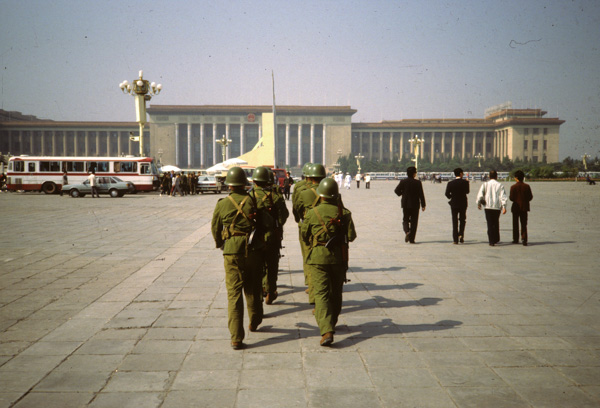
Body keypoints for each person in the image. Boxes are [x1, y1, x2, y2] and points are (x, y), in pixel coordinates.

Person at [211, 167, 264, 350]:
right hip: (252, 249)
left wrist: (221, 243)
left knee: (234, 294)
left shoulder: (222, 204)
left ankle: (236, 338)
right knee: (253, 286)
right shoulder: (252, 201)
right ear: (244, 183)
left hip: (232, 250)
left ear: (229, 185)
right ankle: (255, 320)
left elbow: (215, 228)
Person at [301, 178, 356, 346]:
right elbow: (352, 236)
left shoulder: (312, 213)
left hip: (317, 258)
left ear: (321, 195)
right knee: (336, 292)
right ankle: (331, 321)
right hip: (338, 257)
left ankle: (326, 330)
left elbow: (304, 235)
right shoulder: (344, 213)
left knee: (321, 293)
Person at [249, 167, 289, 305]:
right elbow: (284, 215)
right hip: (272, 236)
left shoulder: (248, 197)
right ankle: (271, 291)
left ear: (254, 181)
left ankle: (260, 291)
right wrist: (275, 225)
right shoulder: (275, 197)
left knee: (257, 266)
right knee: (272, 265)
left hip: (254, 237)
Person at [394, 167, 426, 243]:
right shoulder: (418, 183)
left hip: (405, 204)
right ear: (414, 174)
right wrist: (423, 205)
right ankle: (412, 239)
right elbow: (421, 194)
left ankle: (407, 232)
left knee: (405, 219)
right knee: (414, 222)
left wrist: (402, 194)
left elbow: (396, 190)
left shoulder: (403, 182)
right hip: (415, 205)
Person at [476, 170, 507, 246]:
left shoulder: (485, 184)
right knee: (495, 222)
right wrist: (504, 206)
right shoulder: (500, 185)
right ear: (496, 176)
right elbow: (503, 197)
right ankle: (496, 238)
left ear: (489, 176)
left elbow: (480, 195)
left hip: (488, 207)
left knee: (489, 224)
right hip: (497, 207)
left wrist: (479, 203)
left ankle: (491, 241)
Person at [445, 168, 470, 244]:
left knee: (454, 221)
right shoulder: (465, 182)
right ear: (461, 174)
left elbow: (446, 194)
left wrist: (451, 197)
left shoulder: (450, 183)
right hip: (463, 203)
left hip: (454, 204)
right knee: (462, 220)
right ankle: (461, 234)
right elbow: (467, 192)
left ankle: (455, 239)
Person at [509, 170, 533, 246]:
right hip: (524, 207)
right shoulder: (527, 186)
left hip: (515, 208)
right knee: (524, 224)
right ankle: (524, 239)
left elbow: (511, 198)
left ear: (516, 178)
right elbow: (530, 197)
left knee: (515, 224)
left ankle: (515, 239)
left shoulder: (513, 187)